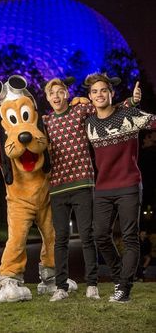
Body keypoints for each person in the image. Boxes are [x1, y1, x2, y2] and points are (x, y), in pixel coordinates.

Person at [43, 77, 140, 302]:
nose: (56, 97)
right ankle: (61, 287)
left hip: (84, 184)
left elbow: (107, 106)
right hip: (57, 186)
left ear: (67, 93)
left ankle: (93, 285)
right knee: (61, 240)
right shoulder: (46, 121)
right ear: (47, 98)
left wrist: (132, 102)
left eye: (60, 92)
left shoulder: (81, 111)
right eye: (51, 94)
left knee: (89, 237)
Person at [84, 72, 156, 303]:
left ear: (111, 93)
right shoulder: (89, 123)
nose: (99, 94)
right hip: (103, 187)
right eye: (94, 92)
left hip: (129, 185)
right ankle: (119, 276)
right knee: (100, 236)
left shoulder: (128, 115)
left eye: (103, 90)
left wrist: (133, 102)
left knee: (130, 237)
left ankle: (124, 288)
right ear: (90, 97)